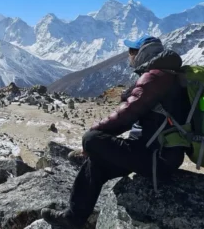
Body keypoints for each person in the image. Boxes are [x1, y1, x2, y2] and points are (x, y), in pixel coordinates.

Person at [41, 36, 190, 228]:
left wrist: (92, 136)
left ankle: (75, 216)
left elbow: (126, 115)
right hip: (159, 154)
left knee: (92, 140)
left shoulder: (155, 77)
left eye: (131, 51)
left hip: (155, 158)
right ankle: (74, 218)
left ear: (141, 53)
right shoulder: (169, 74)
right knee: (96, 164)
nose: (129, 56)